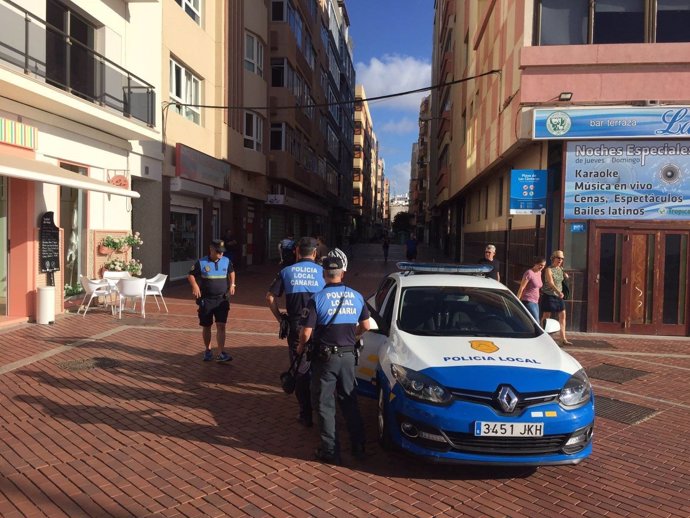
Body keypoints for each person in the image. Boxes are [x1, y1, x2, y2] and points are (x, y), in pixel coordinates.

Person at [296, 255, 370, 465]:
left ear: (323, 275)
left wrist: (301, 346)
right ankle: (358, 445)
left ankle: (330, 449)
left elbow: (306, 333)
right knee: (349, 399)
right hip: (348, 355)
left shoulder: (317, 299)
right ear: (342, 273)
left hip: (325, 357)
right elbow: (365, 326)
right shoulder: (356, 296)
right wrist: (350, 336)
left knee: (325, 403)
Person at [266, 237, 325, 427]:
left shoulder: (286, 271)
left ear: (297, 252)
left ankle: (305, 414)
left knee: (300, 369)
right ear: (315, 253)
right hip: (319, 327)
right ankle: (322, 410)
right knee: (321, 367)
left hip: (296, 325)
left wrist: (280, 318)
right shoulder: (323, 272)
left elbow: (270, 298)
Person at [187, 239, 236, 362]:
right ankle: (208, 350)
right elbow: (191, 274)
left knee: (221, 325)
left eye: (222, 252)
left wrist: (232, 284)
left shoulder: (226, 261)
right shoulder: (201, 262)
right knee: (207, 326)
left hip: (222, 299)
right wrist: (195, 286)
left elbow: (232, 272)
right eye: (218, 252)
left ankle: (220, 353)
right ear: (211, 249)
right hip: (206, 300)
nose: (221, 254)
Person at [541, 250, 572, 345]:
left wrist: (565, 276)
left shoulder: (560, 269)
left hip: (559, 296)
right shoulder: (548, 269)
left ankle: (563, 338)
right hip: (549, 295)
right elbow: (550, 283)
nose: (560, 260)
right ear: (553, 258)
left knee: (563, 315)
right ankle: (542, 336)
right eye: (558, 258)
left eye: (562, 258)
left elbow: (561, 280)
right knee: (546, 316)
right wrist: (558, 292)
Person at [516, 256, 546, 322]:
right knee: (536, 321)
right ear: (536, 263)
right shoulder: (529, 273)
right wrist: (517, 300)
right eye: (540, 265)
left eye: (543, 265)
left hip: (536, 301)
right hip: (528, 300)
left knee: (532, 321)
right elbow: (522, 287)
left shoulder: (539, 273)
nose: (542, 267)